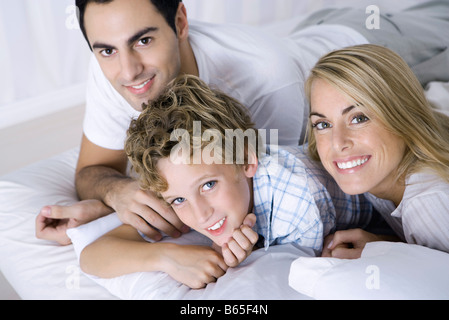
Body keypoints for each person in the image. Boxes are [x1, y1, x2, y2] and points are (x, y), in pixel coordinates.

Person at [36, 0, 449, 245]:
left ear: (180, 22)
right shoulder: (114, 68)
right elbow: (95, 172)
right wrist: (114, 196)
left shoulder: (266, 81)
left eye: (143, 41)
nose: (128, 72)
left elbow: (252, 197)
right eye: (106, 50)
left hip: (367, 52)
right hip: (311, 32)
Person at [80, 75, 373, 288]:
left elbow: (298, 286)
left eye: (209, 186)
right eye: (179, 201)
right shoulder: (178, 182)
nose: (201, 214)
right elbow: (91, 257)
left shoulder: (295, 204)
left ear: (247, 160)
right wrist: (166, 257)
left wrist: (248, 256)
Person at [305, 44, 449, 259]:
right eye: (323, 124)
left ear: (402, 116)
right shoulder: (383, 171)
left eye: (359, 118)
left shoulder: (428, 205)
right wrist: (390, 246)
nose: (338, 143)